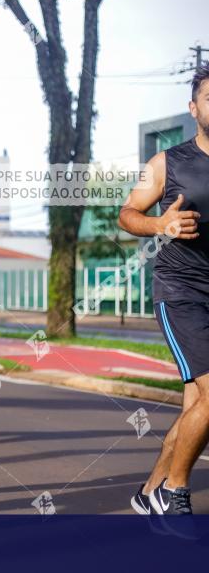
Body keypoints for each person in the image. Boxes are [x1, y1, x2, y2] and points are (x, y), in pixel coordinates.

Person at [118, 65, 209, 531]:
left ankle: (150, 492)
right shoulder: (168, 162)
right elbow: (127, 212)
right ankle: (175, 492)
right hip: (181, 292)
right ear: (194, 109)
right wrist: (159, 225)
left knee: (198, 406)